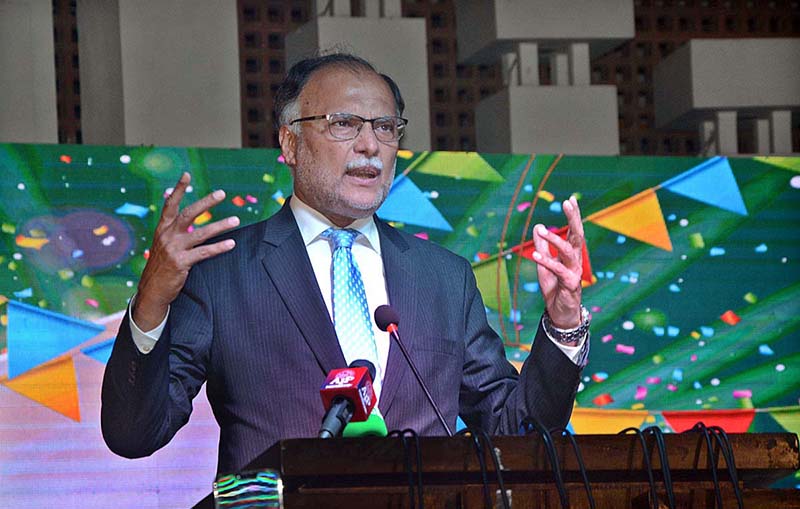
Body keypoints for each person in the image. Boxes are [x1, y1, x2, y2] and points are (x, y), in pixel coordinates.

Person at [101, 53, 590, 476]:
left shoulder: (443, 278)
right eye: (343, 124)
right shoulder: (224, 272)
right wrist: (150, 303)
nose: (370, 145)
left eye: (384, 127)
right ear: (290, 144)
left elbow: (516, 431)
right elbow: (133, 434)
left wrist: (563, 325)